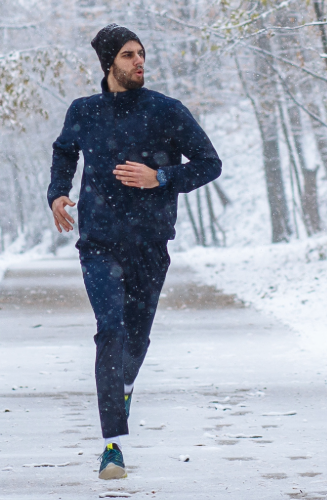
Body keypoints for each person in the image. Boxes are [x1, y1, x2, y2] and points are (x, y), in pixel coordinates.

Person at [47, 24, 221, 481]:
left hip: (149, 244)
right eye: (128, 55)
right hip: (99, 243)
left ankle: (121, 389)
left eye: (141, 53)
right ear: (109, 64)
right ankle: (113, 446)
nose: (138, 62)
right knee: (110, 331)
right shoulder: (84, 111)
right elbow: (64, 152)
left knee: (136, 340)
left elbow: (209, 163)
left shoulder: (166, 111)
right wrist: (57, 194)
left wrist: (160, 178)